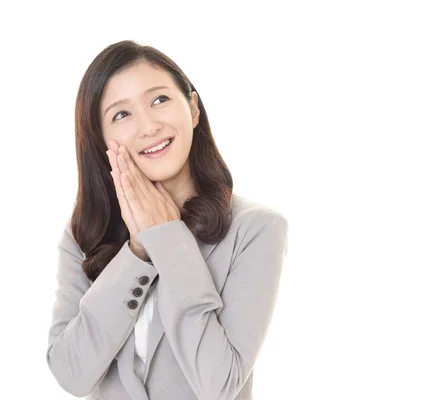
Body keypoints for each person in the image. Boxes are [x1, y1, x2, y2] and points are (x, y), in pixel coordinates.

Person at [45, 40, 289, 400]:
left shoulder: (255, 229)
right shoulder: (84, 232)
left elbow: (219, 385)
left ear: (192, 109)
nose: (149, 126)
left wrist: (168, 239)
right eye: (121, 114)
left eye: (159, 100)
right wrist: (138, 251)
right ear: (101, 139)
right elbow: (71, 374)